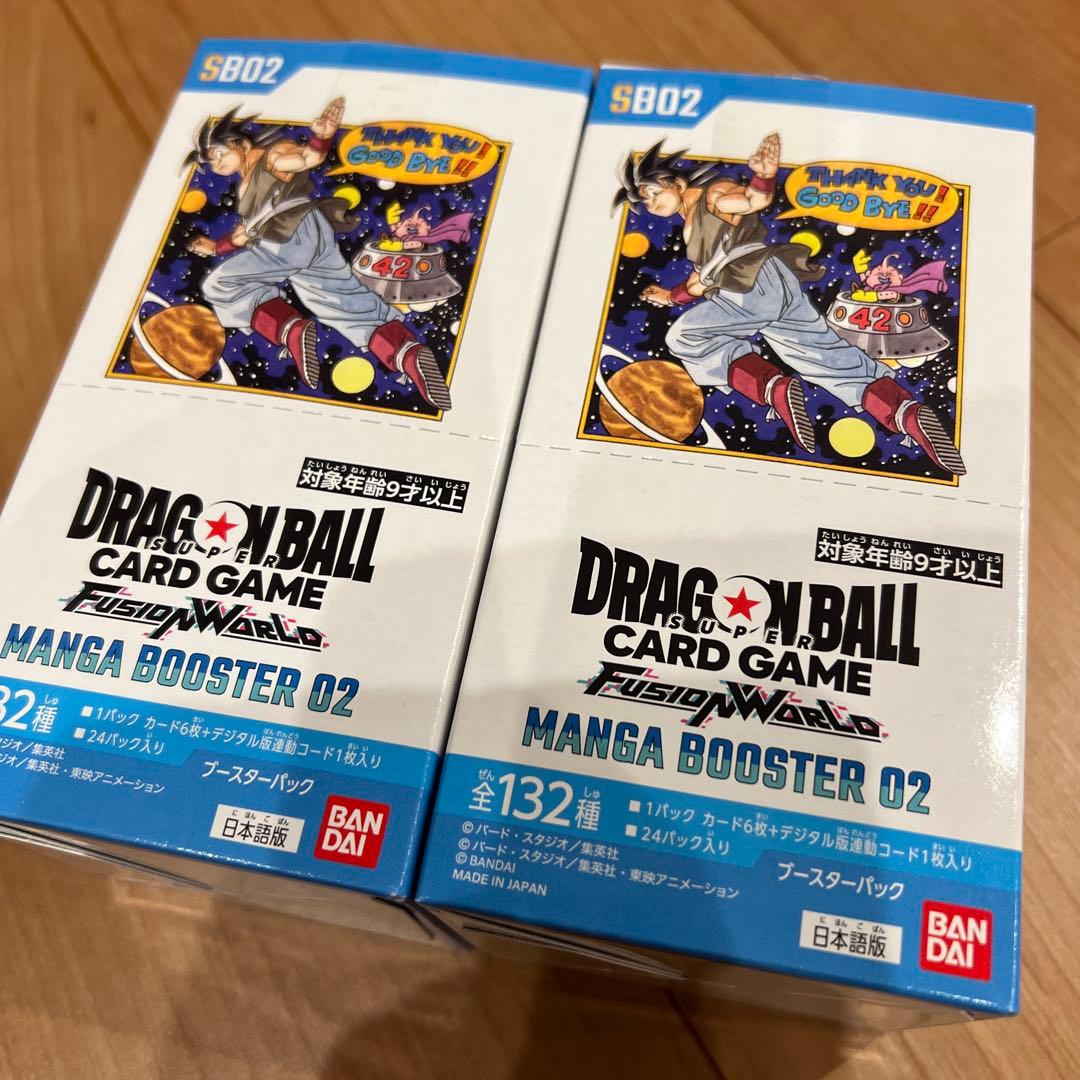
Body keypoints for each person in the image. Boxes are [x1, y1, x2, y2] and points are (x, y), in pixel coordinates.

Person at [613, 138, 964, 474]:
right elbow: (700, 281)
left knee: (685, 337)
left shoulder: (712, 196)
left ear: (676, 183)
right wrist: (669, 297)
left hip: (748, 286)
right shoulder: (694, 221)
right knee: (823, 356)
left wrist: (764, 176)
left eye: (654, 193)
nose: (651, 204)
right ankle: (906, 413)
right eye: (645, 202)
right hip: (775, 281)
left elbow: (750, 201)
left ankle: (772, 388)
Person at [183, 99, 451, 410]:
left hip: (288, 237)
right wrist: (216, 247)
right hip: (311, 234)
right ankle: (408, 354)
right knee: (342, 302)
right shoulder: (249, 181)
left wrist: (321, 137)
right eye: (211, 162)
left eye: (219, 154)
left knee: (220, 284)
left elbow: (305, 159)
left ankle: (289, 329)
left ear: (239, 143)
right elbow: (245, 234)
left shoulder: (269, 157)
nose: (216, 164)